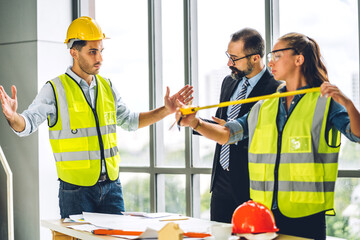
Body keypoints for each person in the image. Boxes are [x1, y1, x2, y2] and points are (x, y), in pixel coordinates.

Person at [0, 16, 193, 219]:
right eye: (92, 52)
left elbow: (130, 120)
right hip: (75, 191)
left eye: (100, 51)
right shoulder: (55, 89)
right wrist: (13, 117)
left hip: (112, 187)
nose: (99, 58)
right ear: (74, 53)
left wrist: (166, 109)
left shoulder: (107, 86)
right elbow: (28, 123)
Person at [176, 32, 360, 240]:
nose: (270, 62)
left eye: (277, 56)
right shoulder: (265, 106)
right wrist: (195, 123)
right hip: (265, 216)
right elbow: (228, 134)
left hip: (306, 216)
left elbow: (357, 134)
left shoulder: (325, 102)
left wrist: (348, 104)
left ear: (299, 59)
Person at [195, 28, 280, 223]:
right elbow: (221, 124)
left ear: (255, 58)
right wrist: (195, 122)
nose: (229, 63)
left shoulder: (275, 88)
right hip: (221, 182)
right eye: (228, 56)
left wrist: (231, 130)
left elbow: (270, 133)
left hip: (250, 183)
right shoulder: (228, 82)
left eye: (234, 58)